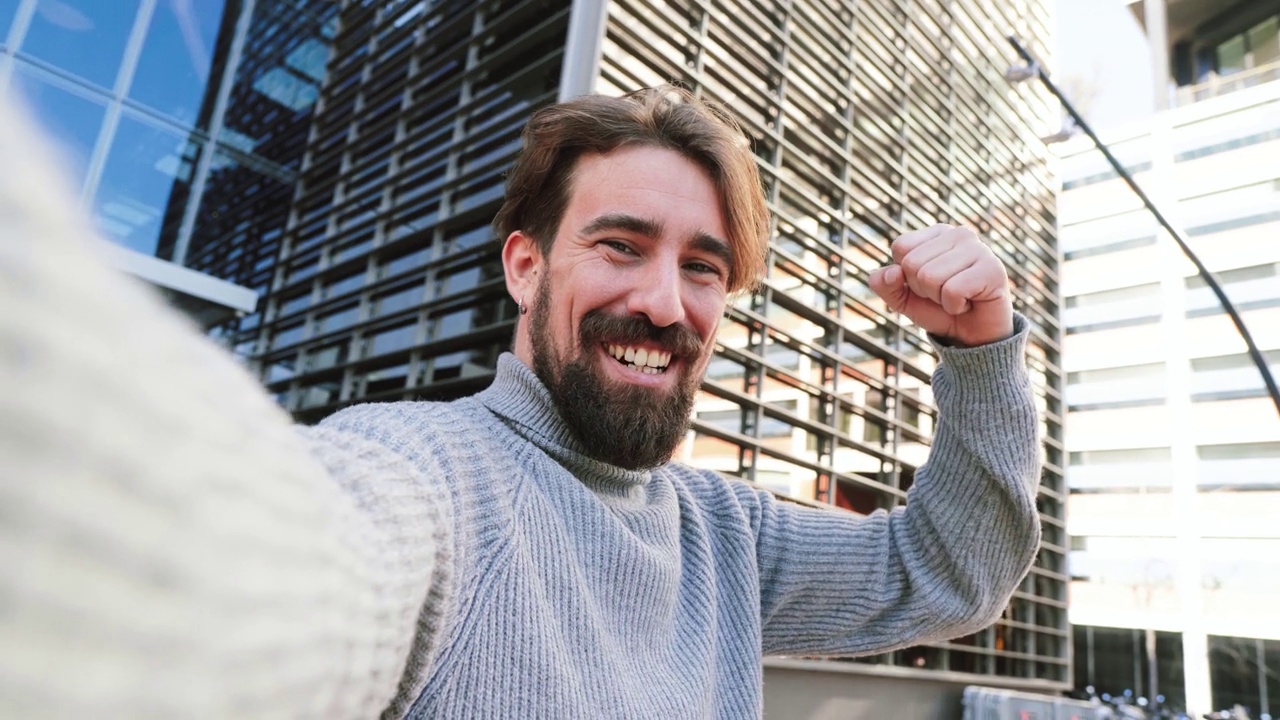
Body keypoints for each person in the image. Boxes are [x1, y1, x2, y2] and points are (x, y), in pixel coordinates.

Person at [0, 86, 1041, 719]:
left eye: (703, 267)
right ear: (525, 265)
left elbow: (948, 570)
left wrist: (981, 348)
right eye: (619, 246)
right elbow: (280, 584)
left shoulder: (725, 536)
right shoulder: (422, 475)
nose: (661, 300)